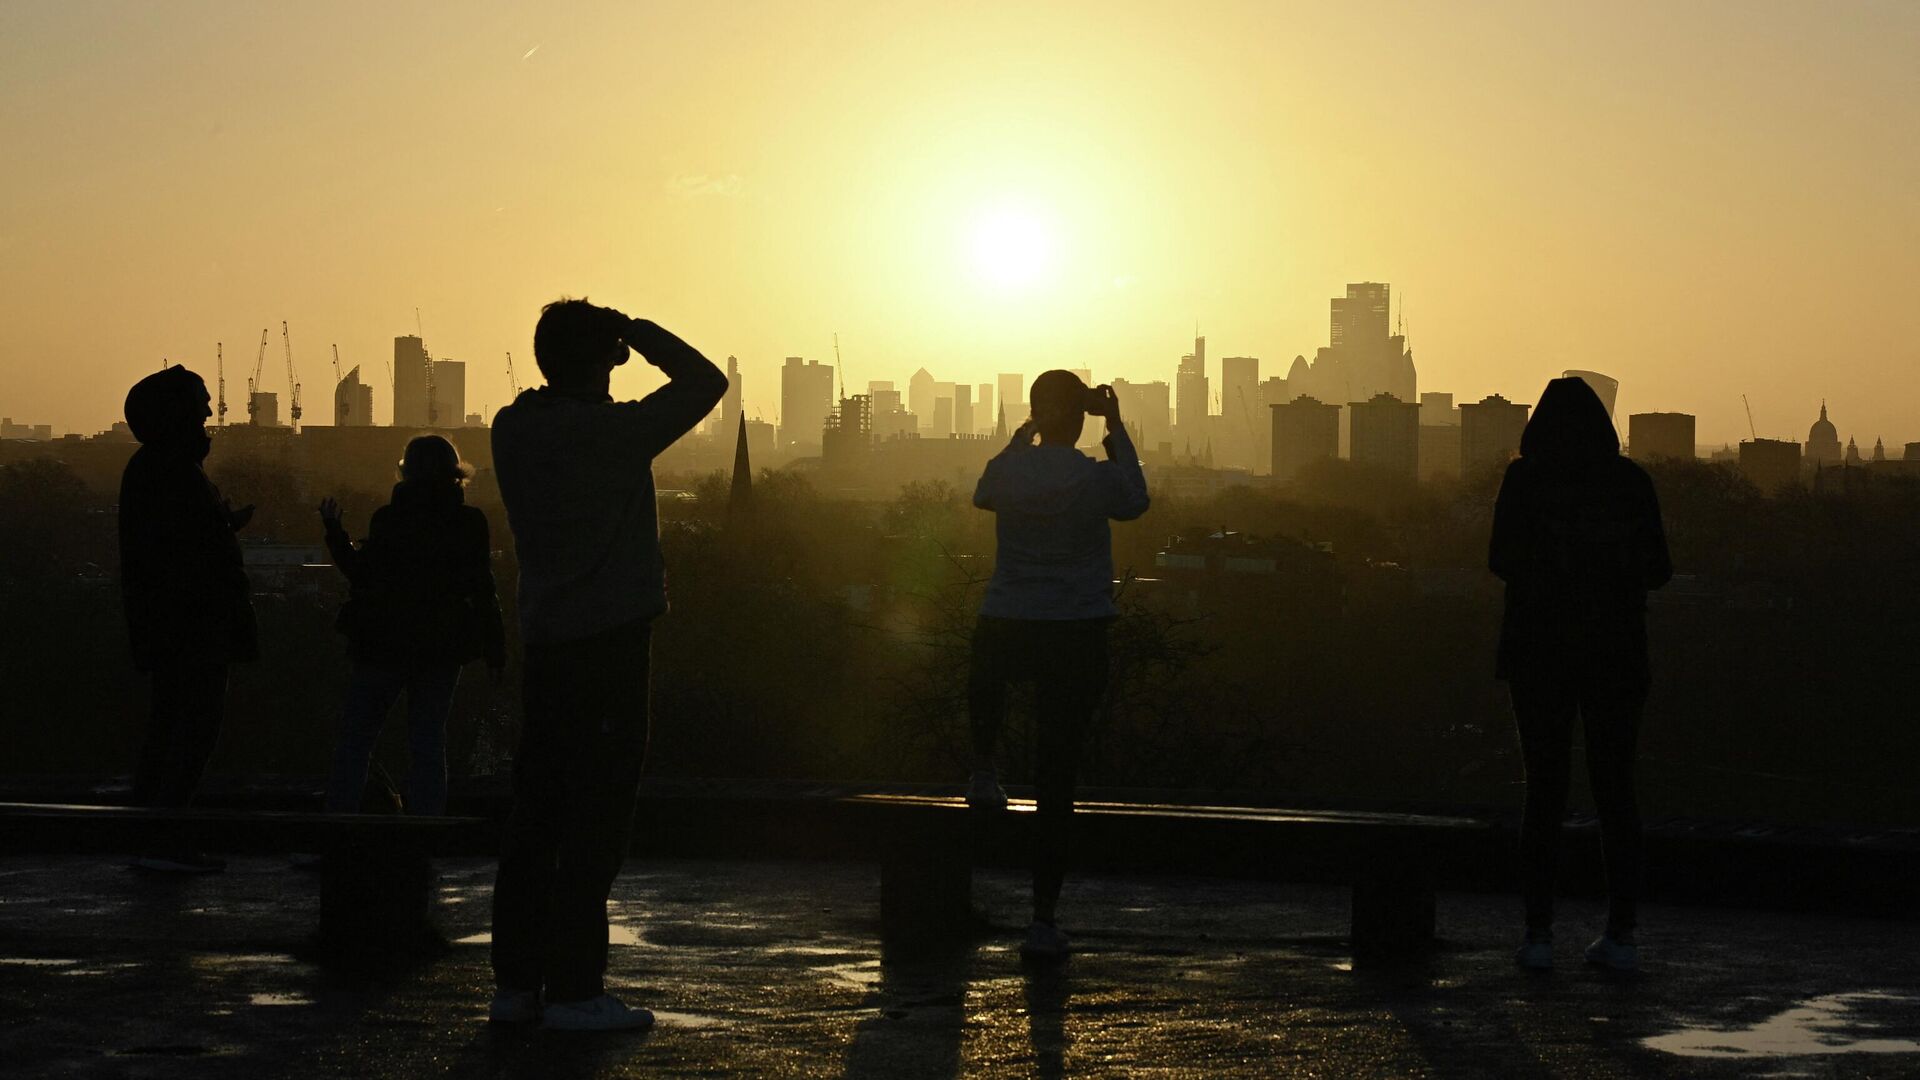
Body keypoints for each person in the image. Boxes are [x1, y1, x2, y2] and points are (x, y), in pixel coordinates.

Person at [486, 298, 726, 1031]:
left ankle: (517, 985)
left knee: (537, 815)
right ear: (608, 357)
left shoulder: (512, 428)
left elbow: (548, 398)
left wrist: (600, 344)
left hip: (548, 638)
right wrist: (643, 331)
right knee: (597, 816)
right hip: (614, 640)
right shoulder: (615, 435)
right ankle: (577, 989)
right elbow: (705, 382)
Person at [1489, 376, 1671, 973]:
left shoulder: (1525, 480)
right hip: (1616, 654)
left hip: (1538, 651)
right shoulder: (1630, 483)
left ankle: (1538, 935)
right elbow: (1659, 571)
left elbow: (1500, 560)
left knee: (1543, 791)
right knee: (1616, 792)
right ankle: (1621, 934)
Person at [967, 370, 1150, 961]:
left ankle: (983, 768)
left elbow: (983, 492)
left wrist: (1026, 431)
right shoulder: (1093, 480)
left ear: (1041, 416)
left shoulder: (1011, 468)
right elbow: (1136, 501)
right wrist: (1115, 424)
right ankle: (1043, 921)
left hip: (1010, 616)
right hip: (1075, 627)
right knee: (1057, 779)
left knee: (986, 679)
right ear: (1081, 420)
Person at [318, 435, 505, 817]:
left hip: (383, 643)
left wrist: (336, 535)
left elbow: (362, 575)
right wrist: (495, 647)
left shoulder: (389, 519)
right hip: (441, 646)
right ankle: (426, 830)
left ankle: (339, 824)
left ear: (407, 472)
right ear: (457, 475)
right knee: (428, 742)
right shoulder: (469, 522)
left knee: (357, 739)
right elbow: (483, 589)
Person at [117, 366, 257, 873]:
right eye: (199, 403)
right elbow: (185, 554)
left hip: (177, 627)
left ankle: (153, 833)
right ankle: (165, 836)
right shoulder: (171, 471)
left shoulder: (159, 467)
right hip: (192, 628)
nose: (207, 412)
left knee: (171, 726)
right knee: (190, 730)